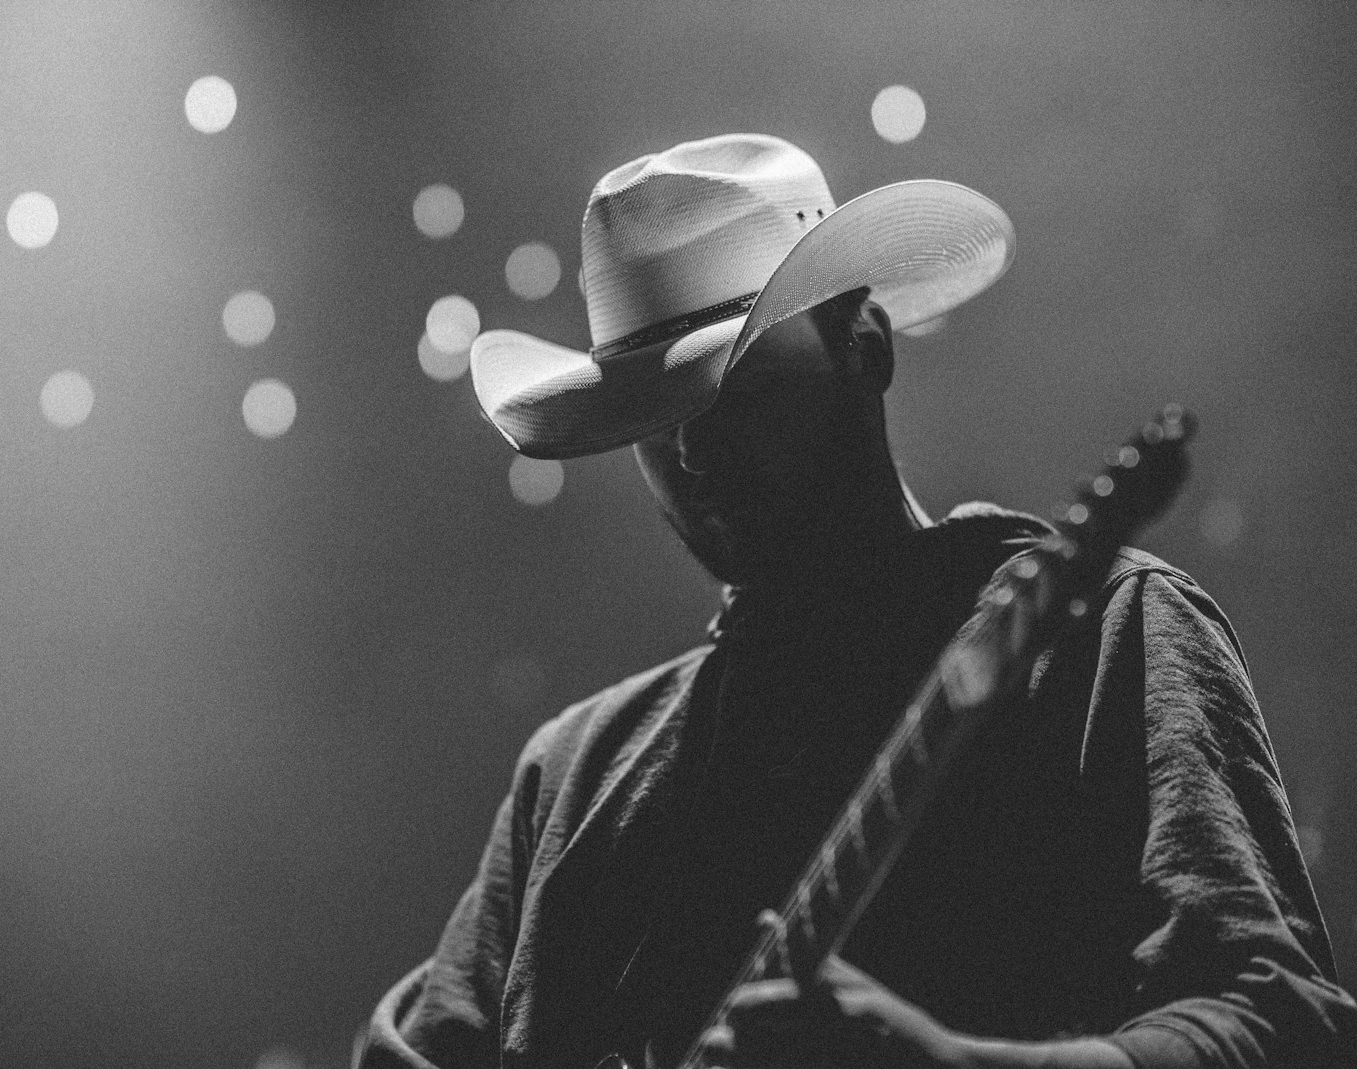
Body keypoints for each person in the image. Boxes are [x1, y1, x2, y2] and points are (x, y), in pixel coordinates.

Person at [357, 134, 1356, 1069]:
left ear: (866, 346)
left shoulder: (1095, 628)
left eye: (732, 390)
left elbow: (1275, 1015)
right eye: (654, 416)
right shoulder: (570, 771)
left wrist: (958, 1065)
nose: (693, 452)